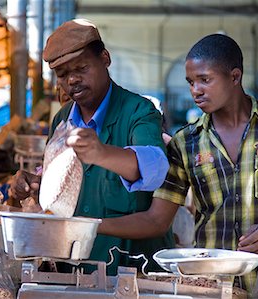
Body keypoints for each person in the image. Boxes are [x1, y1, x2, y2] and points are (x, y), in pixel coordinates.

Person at [98, 33, 258, 296]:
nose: (195, 90)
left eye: (205, 80)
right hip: (210, 288)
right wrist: (90, 226)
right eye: (190, 82)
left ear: (235, 77)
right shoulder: (185, 143)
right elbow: (156, 220)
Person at [10, 18, 175, 274]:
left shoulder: (140, 112)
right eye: (63, 75)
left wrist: (102, 153)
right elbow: (64, 192)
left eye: (82, 68)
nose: (72, 80)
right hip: (73, 267)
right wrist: (37, 187)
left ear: (105, 58)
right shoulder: (61, 120)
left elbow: (154, 166)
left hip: (129, 271)